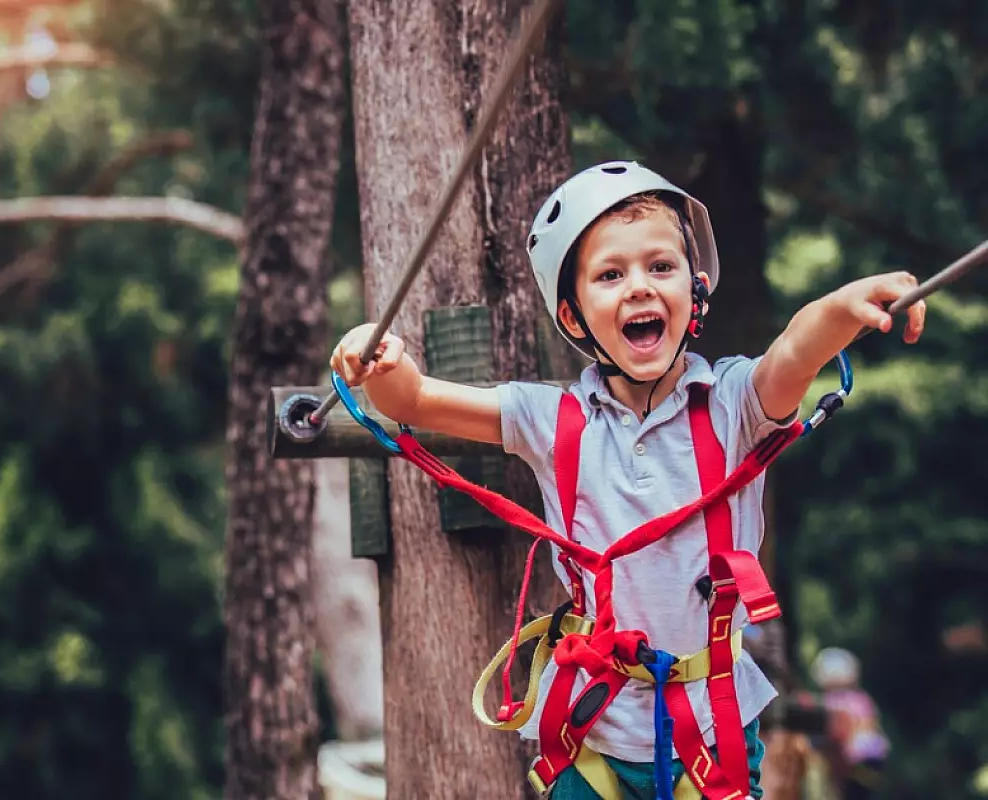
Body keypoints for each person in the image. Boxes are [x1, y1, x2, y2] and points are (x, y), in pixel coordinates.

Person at [329, 161, 924, 799]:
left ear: (694, 290)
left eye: (659, 267)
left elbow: (795, 351)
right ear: (574, 314)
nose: (639, 287)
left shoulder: (734, 405)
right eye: (611, 275)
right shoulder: (550, 418)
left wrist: (838, 310)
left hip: (711, 724)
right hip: (593, 733)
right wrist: (378, 356)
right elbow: (417, 401)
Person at [811, 647, 890, 799]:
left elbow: (865, 724)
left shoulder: (853, 701)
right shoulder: (846, 700)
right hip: (844, 759)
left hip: (854, 758)